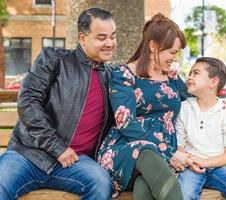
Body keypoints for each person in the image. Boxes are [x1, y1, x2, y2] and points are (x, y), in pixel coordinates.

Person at [0, 7, 116, 200]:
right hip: (28, 155)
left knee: (101, 182)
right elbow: (28, 102)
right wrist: (58, 148)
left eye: (113, 36)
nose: (109, 43)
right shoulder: (54, 60)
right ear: (82, 38)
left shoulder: (113, 79)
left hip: (75, 164)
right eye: (101, 37)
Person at [97, 13, 189, 200]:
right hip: (126, 152)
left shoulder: (171, 77)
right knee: (146, 152)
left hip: (160, 160)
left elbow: (194, 101)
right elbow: (126, 122)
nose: (175, 58)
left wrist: (224, 108)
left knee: (145, 187)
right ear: (153, 46)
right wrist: (168, 151)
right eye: (172, 52)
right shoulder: (124, 76)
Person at [175, 57, 226, 200]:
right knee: (185, 193)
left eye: (196, 73)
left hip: (220, 168)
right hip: (190, 167)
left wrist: (204, 162)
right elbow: (179, 144)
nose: (189, 77)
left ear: (213, 82)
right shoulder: (184, 108)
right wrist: (188, 160)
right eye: (190, 73)